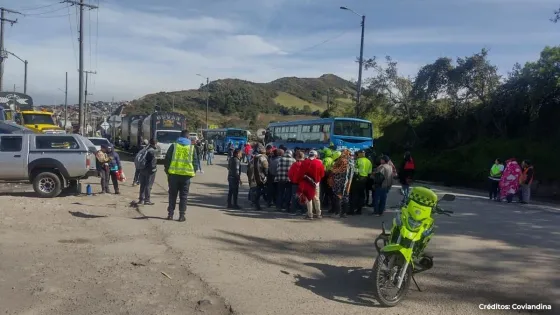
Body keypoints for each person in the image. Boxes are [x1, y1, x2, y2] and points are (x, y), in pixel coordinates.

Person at [164, 130, 199, 222]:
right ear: (188, 137)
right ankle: (181, 216)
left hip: (173, 175)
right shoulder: (192, 148)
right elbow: (195, 162)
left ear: (180, 137)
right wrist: (192, 173)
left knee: (172, 195)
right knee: (183, 196)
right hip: (186, 177)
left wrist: (168, 172)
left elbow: (167, 160)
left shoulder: (174, 146)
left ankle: (170, 214)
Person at [297, 150, 325, 220]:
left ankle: (310, 214)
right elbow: (322, 174)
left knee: (308, 198)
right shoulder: (319, 163)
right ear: (316, 155)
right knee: (316, 198)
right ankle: (318, 214)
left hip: (307, 183)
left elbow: (300, 173)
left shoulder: (304, 162)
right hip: (316, 183)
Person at [329, 149, 354, 218]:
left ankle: (337, 213)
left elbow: (337, 170)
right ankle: (344, 213)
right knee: (345, 197)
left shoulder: (342, 161)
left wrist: (332, 170)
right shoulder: (351, 162)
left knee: (338, 197)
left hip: (339, 182)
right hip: (348, 183)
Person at [138, 138, 158, 205]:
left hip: (142, 169)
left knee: (142, 185)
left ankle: (141, 199)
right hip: (149, 171)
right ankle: (147, 200)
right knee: (148, 185)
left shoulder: (145, 149)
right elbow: (152, 163)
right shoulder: (153, 151)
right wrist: (154, 170)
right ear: (155, 143)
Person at [252, 145, 269, 210]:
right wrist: (266, 176)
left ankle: (255, 202)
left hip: (255, 176)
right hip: (261, 177)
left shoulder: (255, 157)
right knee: (262, 190)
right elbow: (266, 168)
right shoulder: (263, 158)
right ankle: (257, 203)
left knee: (257, 190)